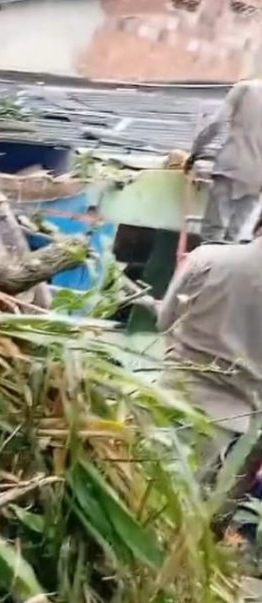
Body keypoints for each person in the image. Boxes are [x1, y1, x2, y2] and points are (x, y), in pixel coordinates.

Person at [151, 210, 262, 478]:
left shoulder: (208, 258)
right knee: (171, 500)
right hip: (225, 420)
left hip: (171, 394)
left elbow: (165, 320)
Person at [186, 79, 262, 243]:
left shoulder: (245, 89)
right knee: (234, 238)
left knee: (212, 236)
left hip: (231, 167)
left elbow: (217, 124)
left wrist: (196, 151)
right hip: (257, 180)